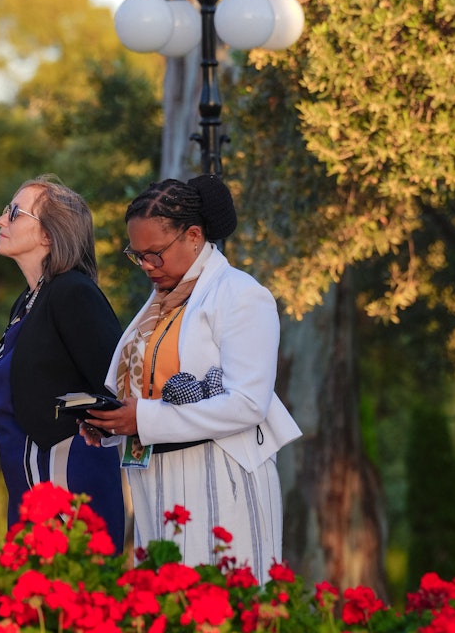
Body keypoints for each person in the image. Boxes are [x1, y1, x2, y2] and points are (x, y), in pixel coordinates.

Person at [84, 175, 301, 577]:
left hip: (220, 476)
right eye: (137, 255)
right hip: (155, 478)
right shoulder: (159, 303)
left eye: (155, 254)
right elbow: (144, 388)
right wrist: (111, 422)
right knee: (165, 615)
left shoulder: (241, 295)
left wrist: (143, 419)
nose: (147, 266)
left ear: (195, 236)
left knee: (224, 610)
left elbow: (248, 402)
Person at [0, 175, 125, 552]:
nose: (0, 220)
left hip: (66, 484)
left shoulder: (73, 293)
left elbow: (118, 387)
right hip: (28, 485)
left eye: (13, 212)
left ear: (48, 234)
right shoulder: (28, 301)